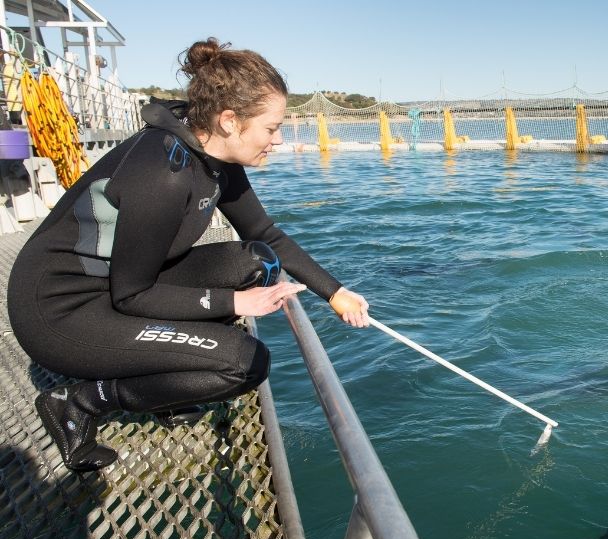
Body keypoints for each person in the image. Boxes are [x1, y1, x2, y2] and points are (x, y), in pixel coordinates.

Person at [6, 38, 369, 472]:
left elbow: (264, 233)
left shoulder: (213, 152)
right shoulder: (164, 175)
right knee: (244, 363)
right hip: (61, 312)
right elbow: (132, 296)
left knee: (256, 261)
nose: (278, 140)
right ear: (230, 120)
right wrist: (235, 303)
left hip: (118, 286)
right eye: (272, 128)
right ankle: (81, 401)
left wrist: (335, 293)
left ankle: (164, 380)